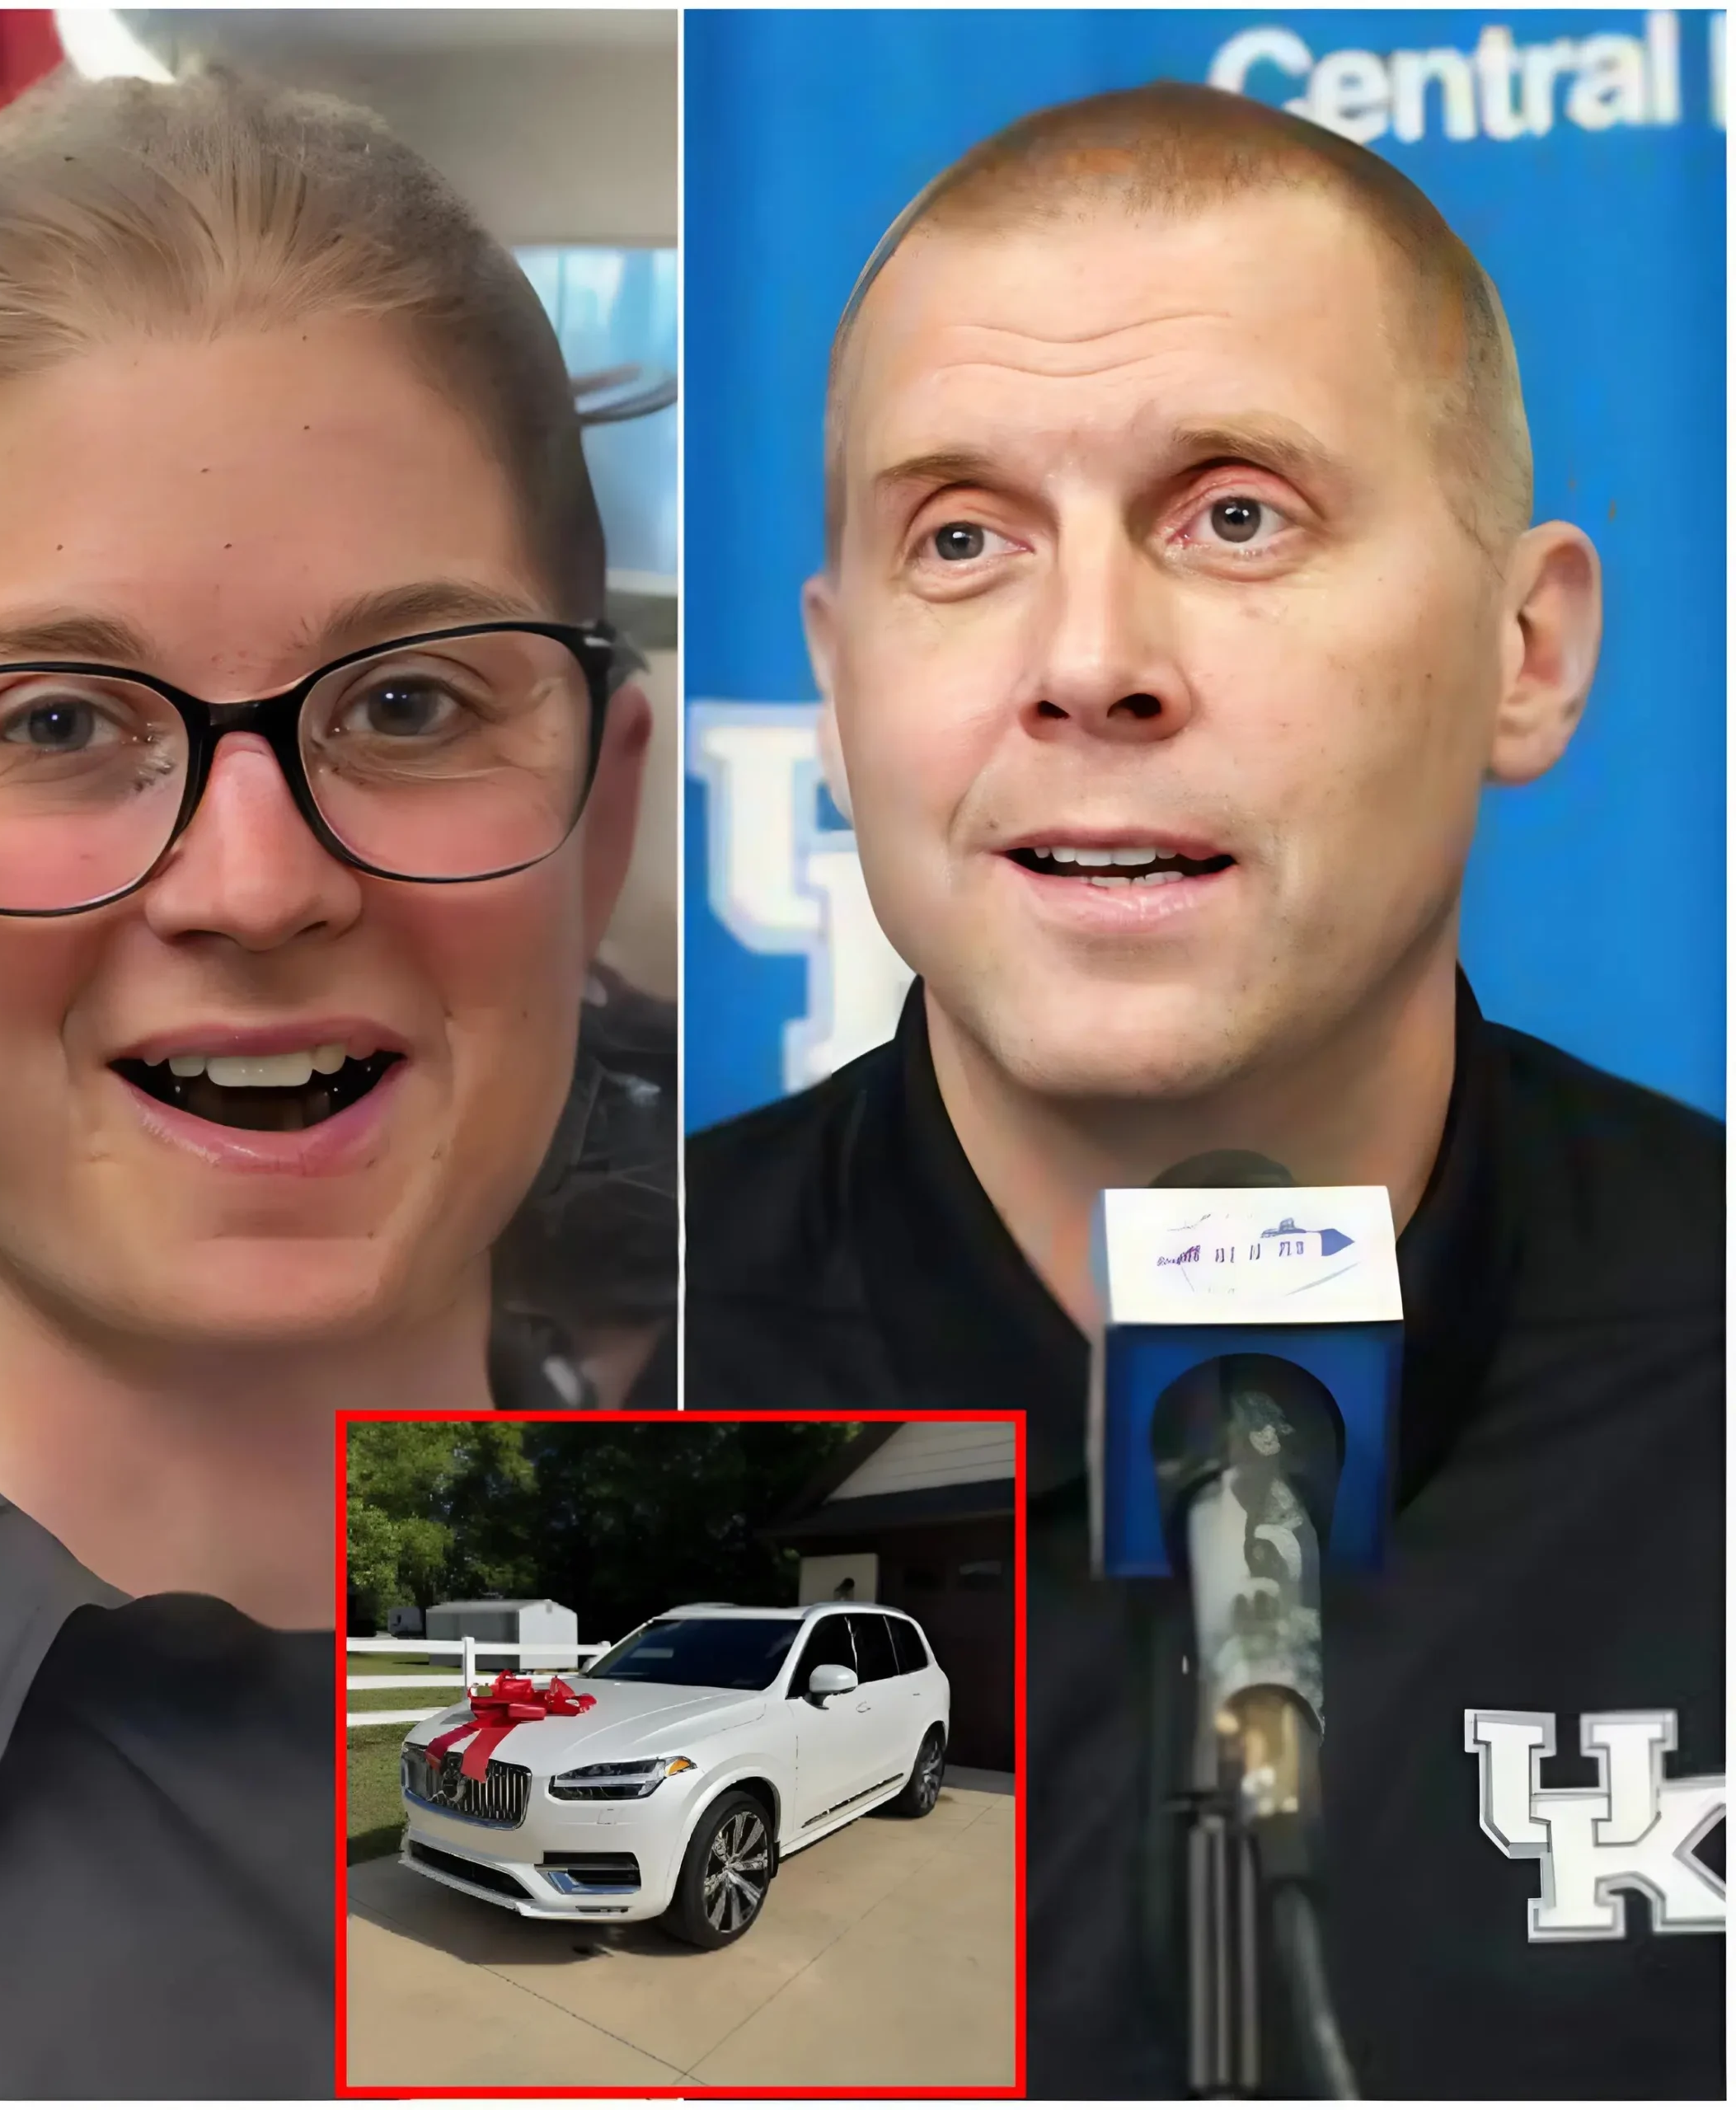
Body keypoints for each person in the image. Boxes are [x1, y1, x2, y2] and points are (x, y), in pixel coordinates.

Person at [686, 83, 1723, 2098]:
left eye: (1233, 512)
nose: (1086, 660)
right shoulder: (568, 1361)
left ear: (1526, 648)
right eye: (960, 537)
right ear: (836, 683)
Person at [0, 65, 657, 2097]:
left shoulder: (972, 1767)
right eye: (57, 721)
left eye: (406, 699)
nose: (260, 882)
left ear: (599, 822)